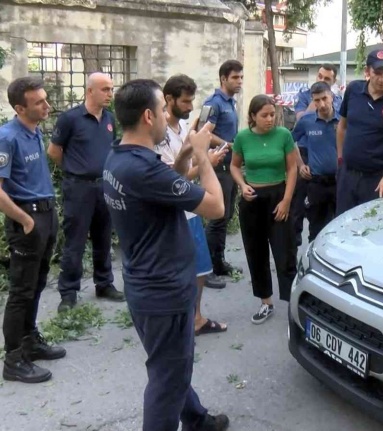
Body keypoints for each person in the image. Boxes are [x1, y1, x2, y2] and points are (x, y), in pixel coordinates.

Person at [104, 79, 229, 431]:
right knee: (167, 379)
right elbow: (216, 207)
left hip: (144, 284)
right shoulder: (143, 168)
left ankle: (196, 419)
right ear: (148, 116)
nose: (166, 115)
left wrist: (187, 152)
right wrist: (204, 157)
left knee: (169, 365)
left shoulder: (119, 157)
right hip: (165, 291)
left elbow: (167, 186)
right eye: (162, 110)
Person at [1, 77, 65, 384]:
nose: (47, 105)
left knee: (37, 284)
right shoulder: (7, 137)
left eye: (45, 98)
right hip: (27, 220)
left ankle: (29, 341)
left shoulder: (34, 130)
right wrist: (25, 220)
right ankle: (13, 360)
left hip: (46, 215)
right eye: (39, 102)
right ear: (19, 108)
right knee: (21, 291)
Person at [155, 74, 229, 335]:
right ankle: (179, 321)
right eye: (185, 102)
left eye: (191, 102)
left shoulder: (184, 128)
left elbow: (188, 168)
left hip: (190, 207)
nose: (189, 107)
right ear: (169, 99)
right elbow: (171, 179)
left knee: (200, 268)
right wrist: (201, 163)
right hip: (175, 210)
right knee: (181, 270)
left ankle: (195, 317)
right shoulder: (159, 132)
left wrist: (206, 159)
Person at [48, 72, 125, 312]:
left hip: (104, 185)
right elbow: (54, 151)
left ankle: (104, 284)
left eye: (111, 89)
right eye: (105, 89)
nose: (109, 94)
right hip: (78, 188)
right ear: (90, 90)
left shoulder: (110, 119)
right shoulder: (70, 118)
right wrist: (74, 171)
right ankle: (68, 293)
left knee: (103, 238)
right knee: (75, 241)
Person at [230, 95, 297, 324]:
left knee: (284, 252)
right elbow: (234, 165)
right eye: (264, 115)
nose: (270, 119)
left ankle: (291, 303)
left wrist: (287, 200)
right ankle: (265, 302)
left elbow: (293, 168)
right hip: (252, 200)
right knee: (256, 252)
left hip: (278, 197)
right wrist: (242, 185)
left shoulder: (284, 135)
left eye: (272, 114)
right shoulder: (243, 137)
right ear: (252, 117)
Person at [335, 49, 383, 215]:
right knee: (343, 225)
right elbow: (342, 127)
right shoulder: (353, 90)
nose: (382, 79)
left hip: (378, 179)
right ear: (367, 71)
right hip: (348, 176)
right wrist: (341, 160)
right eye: (377, 73)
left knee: (372, 230)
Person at [291, 63, 342, 246]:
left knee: (339, 228)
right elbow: (290, 140)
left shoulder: (343, 120)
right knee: (315, 230)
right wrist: (300, 164)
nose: (321, 104)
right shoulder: (307, 121)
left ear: (331, 96)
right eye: (317, 100)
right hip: (317, 183)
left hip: (339, 182)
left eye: (324, 99)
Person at [202, 60, 243, 286]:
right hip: (217, 167)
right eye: (235, 78)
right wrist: (228, 144)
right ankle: (206, 268)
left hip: (230, 167)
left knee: (225, 217)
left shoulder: (231, 103)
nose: (239, 82)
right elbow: (203, 132)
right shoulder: (214, 103)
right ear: (223, 79)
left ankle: (219, 262)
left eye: (241, 77)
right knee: (216, 219)